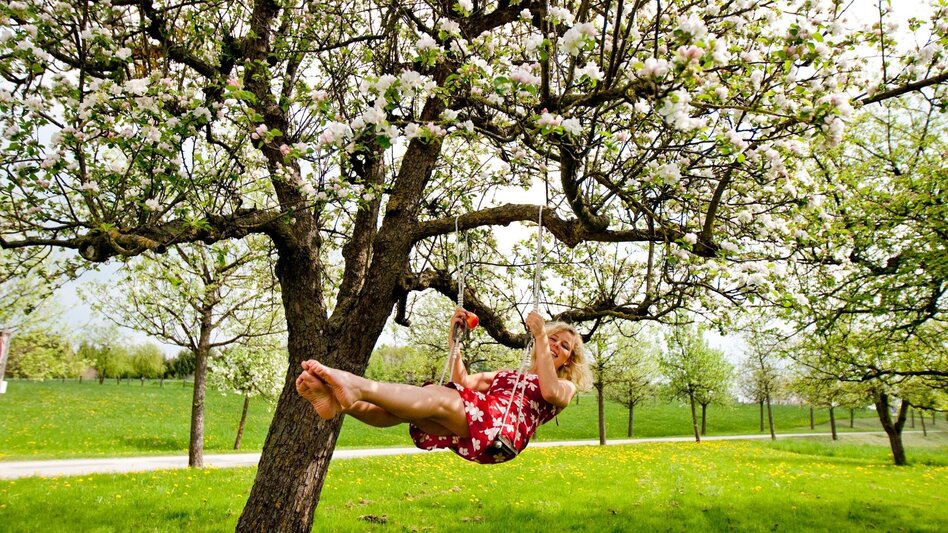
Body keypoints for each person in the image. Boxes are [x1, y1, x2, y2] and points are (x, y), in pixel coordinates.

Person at [295, 309, 592, 464]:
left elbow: (550, 393)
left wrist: (540, 336)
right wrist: (454, 340)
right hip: (476, 421)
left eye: (564, 346)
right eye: (553, 339)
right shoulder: (507, 376)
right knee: (407, 408)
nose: (556, 345)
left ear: (568, 360)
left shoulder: (565, 386)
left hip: (500, 431)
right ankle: (341, 404)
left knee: (434, 396)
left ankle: (354, 386)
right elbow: (463, 382)